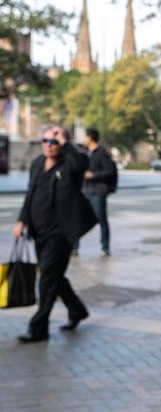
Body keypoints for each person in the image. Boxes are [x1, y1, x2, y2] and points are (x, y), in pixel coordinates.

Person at [12, 126, 97, 343]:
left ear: (63, 144)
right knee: (54, 277)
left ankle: (38, 329)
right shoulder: (38, 164)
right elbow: (31, 194)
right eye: (46, 140)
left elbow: (80, 163)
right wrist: (22, 220)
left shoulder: (71, 163)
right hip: (38, 231)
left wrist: (65, 142)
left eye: (54, 141)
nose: (49, 145)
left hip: (61, 233)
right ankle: (77, 310)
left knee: (47, 280)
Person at [80, 127, 116, 256]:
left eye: (84, 136)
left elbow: (110, 172)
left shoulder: (101, 153)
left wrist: (93, 175)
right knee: (78, 218)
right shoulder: (84, 152)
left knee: (101, 219)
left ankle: (105, 247)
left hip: (98, 191)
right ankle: (74, 247)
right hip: (84, 190)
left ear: (90, 137)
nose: (83, 139)